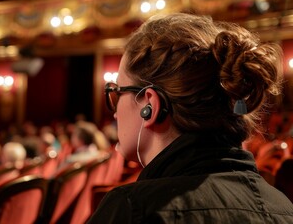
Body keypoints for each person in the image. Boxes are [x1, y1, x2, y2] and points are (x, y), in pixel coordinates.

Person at [88, 13, 293, 223]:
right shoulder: (284, 208)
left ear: (149, 105)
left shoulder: (132, 209)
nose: (114, 111)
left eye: (117, 92)